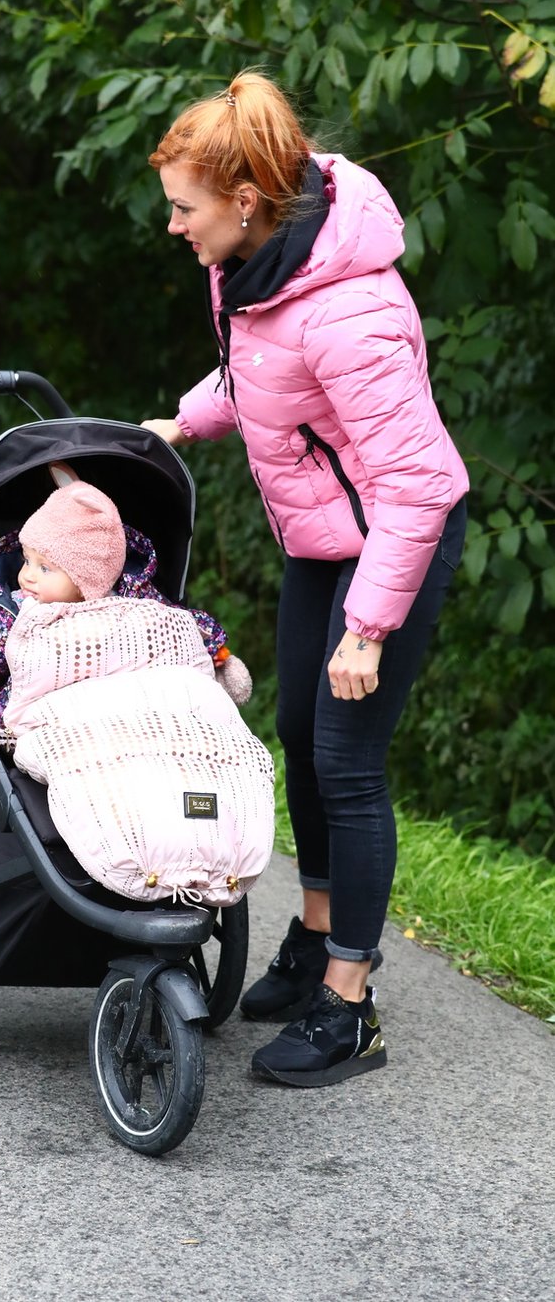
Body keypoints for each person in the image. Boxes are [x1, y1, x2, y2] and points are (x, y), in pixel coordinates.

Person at [141, 69, 468, 1088]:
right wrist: (182, 422)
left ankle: (349, 1002)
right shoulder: (256, 268)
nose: (173, 228)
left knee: (348, 759)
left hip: (395, 546)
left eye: (183, 209)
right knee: (295, 733)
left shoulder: (351, 312)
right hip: (328, 542)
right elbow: (260, 380)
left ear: (244, 201)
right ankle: (316, 933)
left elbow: (419, 486)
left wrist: (368, 630)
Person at [0, 477, 251, 727]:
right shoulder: (18, 610)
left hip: (129, 707)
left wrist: (218, 653)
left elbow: (176, 624)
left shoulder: (128, 600)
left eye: (45, 568)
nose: (27, 575)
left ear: (88, 579)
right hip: (53, 712)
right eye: (27, 560)